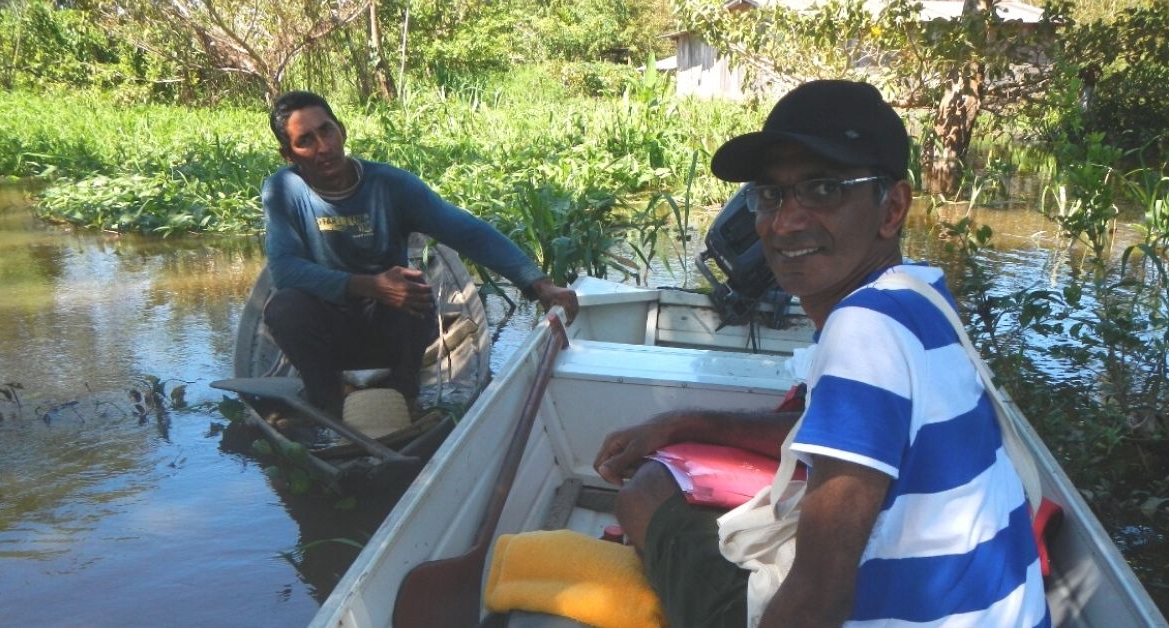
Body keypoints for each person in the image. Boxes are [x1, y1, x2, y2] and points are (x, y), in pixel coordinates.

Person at [593, 80, 1048, 627]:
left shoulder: (863, 331)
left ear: (892, 207)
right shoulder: (918, 297)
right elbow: (820, 429)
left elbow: (820, 596)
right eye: (770, 194)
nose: (783, 223)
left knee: (645, 493)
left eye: (824, 190)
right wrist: (682, 421)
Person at [261, 90, 578, 417]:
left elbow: (465, 231)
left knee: (414, 291)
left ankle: (403, 393)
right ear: (289, 154)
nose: (323, 147)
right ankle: (327, 401)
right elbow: (284, 270)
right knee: (284, 308)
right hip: (326, 335)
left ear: (342, 129)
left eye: (326, 130)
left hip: (389, 329)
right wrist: (370, 284)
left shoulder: (390, 185)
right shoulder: (284, 190)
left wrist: (538, 283)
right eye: (306, 141)